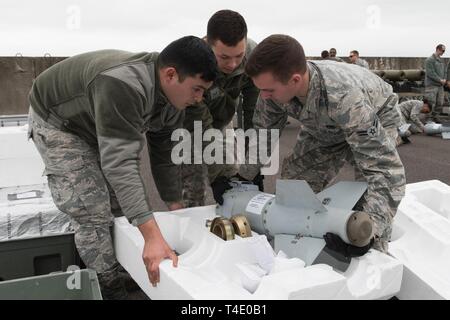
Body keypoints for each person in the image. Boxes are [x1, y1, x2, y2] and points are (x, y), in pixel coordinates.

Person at [27, 36, 218, 299]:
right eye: (197, 89)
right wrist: (151, 235)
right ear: (171, 74)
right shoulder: (123, 83)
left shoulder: (174, 100)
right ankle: (109, 288)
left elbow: (163, 154)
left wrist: (175, 205)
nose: (199, 99)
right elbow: (120, 164)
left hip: (97, 122)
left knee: (120, 208)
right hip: (61, 123)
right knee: (92, 210)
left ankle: (124, 270)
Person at [213, 35, 406, 256]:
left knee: (367, 199)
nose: (263, 96)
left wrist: (369, 233)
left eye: (269, 90)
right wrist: (245, 177)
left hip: (375, 114)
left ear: (295, 80)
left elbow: (387, 172)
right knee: (295, 187)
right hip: (324, 126)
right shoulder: (272, 91)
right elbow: (263, 134)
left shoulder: (344, 98)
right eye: (261, 89)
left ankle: (377, 264)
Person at [180, 10, 261, 208]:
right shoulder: (192, 63)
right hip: (190, 125)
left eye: (238, 56)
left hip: (224, 121)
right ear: (209, 45)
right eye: (224, 57)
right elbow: (199, 122)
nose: (233, 64)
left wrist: (254, 165)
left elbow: (253, 110)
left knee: (232, 177)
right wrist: (216, 175)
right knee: (195, 186)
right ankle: (192, 227)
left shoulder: (252, 55)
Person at [425, 44, 447, 122]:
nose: (443, 52)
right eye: (442, 50)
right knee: (431, 102)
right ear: (437, 49)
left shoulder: (441, 60)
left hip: (440, 86)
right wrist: (439, 80)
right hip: (432, 85)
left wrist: (444, 79)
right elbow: (430, 72)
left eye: (444, 51)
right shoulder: (430, 60)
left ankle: (435, 117)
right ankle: (428, 119)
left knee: (440, 102)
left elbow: (445, 71)